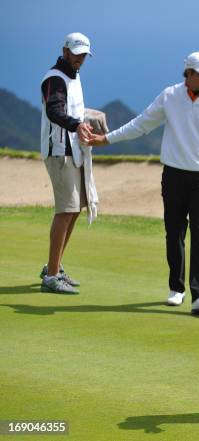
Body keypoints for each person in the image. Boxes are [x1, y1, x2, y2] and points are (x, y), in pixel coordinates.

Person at [87, 52, 199, 316]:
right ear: (188, 74)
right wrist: (106, 140)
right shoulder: (170, 96)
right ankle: (176, 288)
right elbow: (141, 125)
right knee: (174, 232)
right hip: (173, 175)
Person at [39, 32, 95, 294]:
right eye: (76, 53)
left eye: (83, 54)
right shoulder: (55, 78)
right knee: (66, 210)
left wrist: (88, 117)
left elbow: (72, 109)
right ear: (65, 51)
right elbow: (55, 110)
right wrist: (76, 124)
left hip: (74, 151)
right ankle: (51, 276)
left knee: (74, 209)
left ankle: (55, 265)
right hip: (59, 152)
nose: (80, 59)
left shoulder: (74, 76)